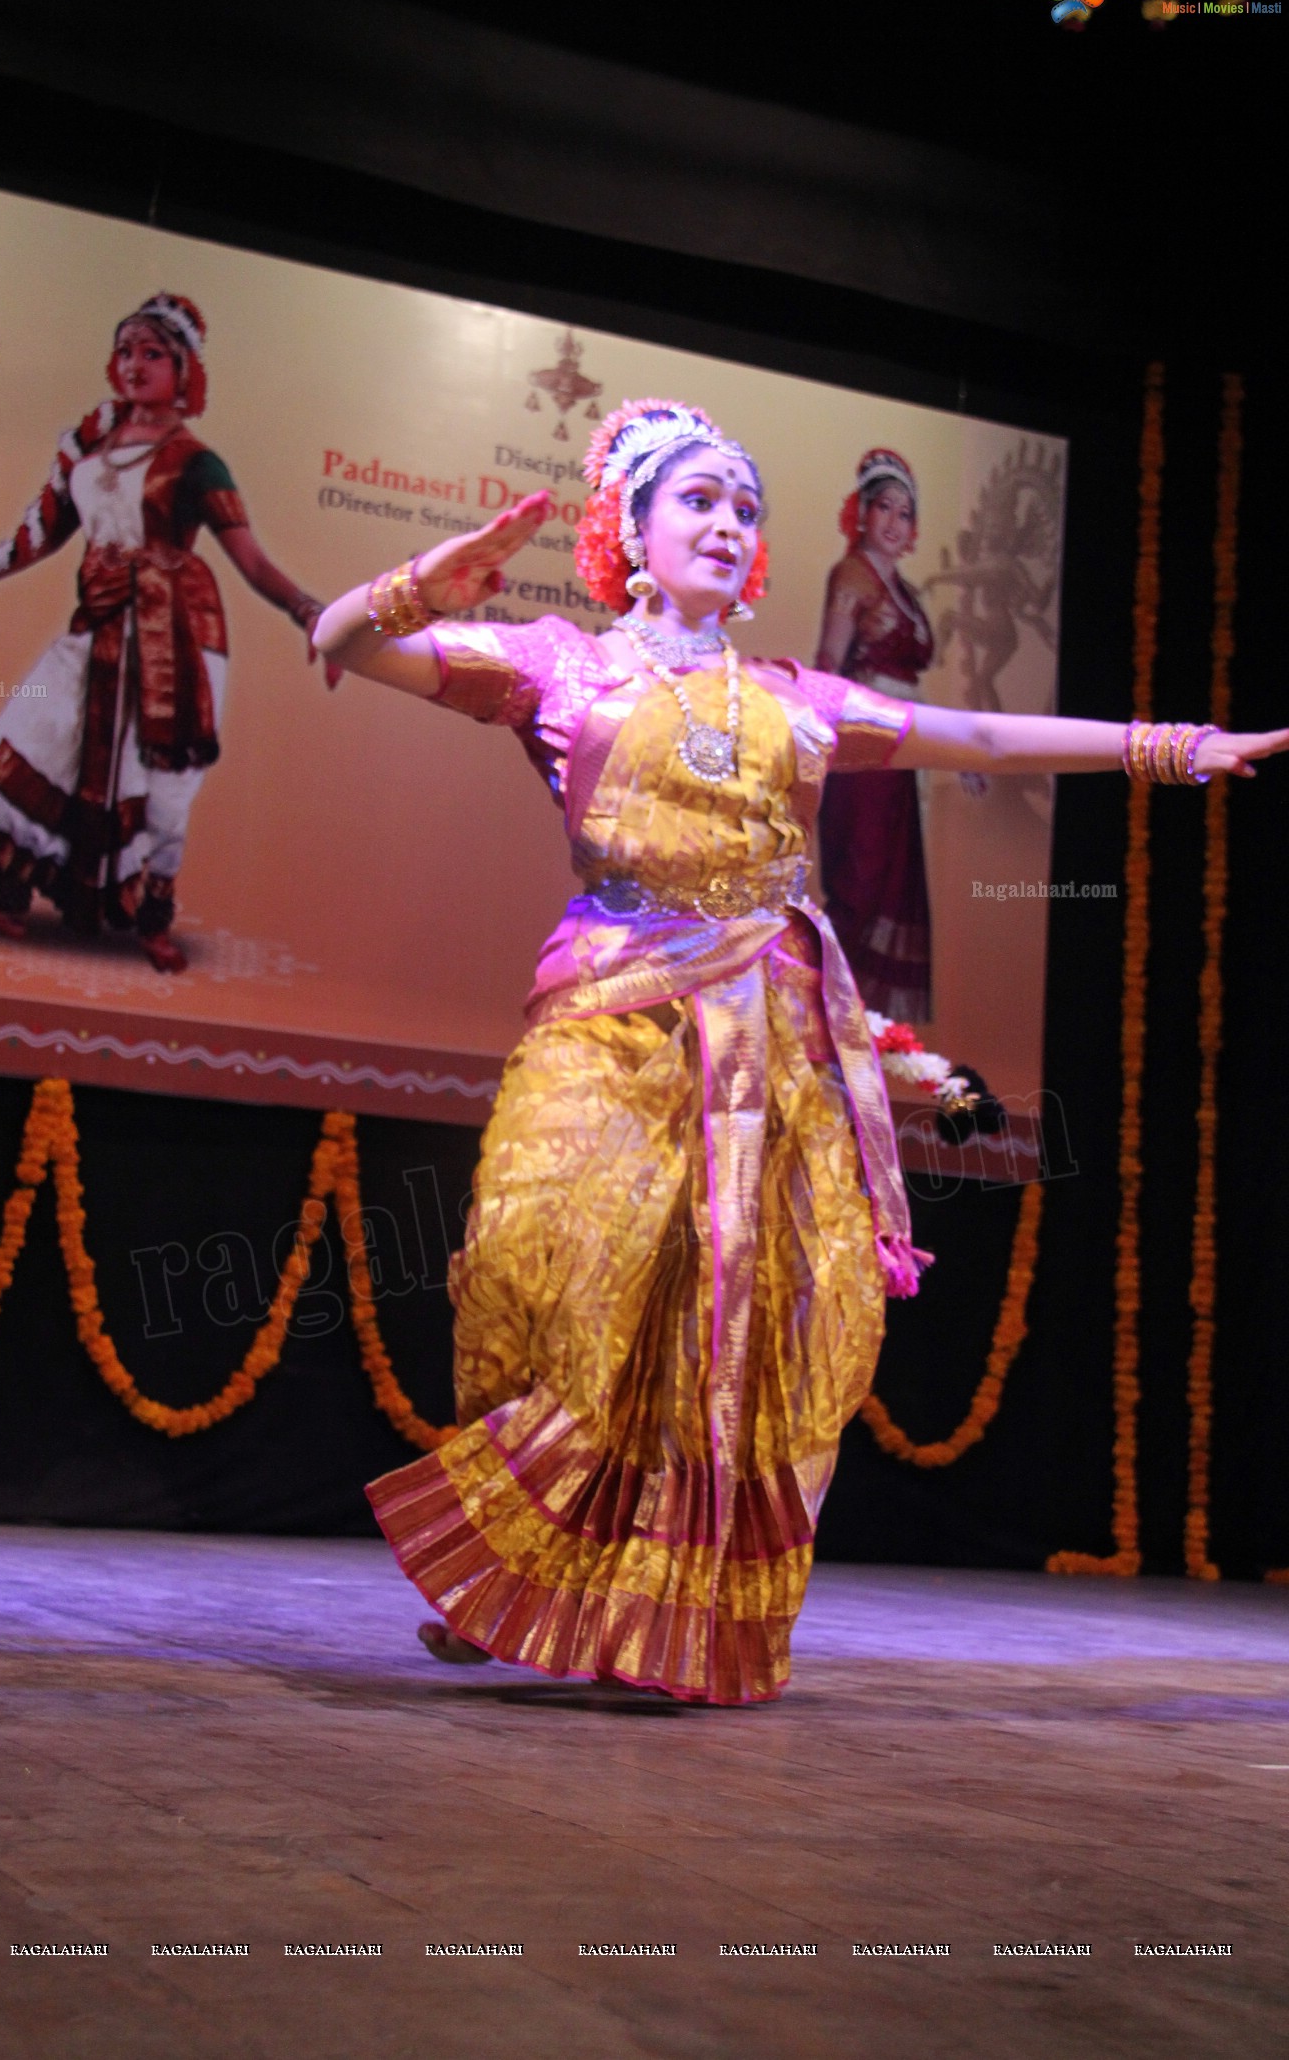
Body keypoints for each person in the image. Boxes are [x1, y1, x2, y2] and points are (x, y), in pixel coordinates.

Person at [312, 398, 1287, 1706]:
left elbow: (984, 739)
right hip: (610, 1029)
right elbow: (342, 642)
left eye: (746, 507)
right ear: (632, 528)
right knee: (557, 1293)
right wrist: (426, 580)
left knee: (741, 1325)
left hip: (770, 1055)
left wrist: (1162, 748)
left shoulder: (799, 703)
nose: (728, 523)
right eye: (699, 501)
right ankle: (531, 1569)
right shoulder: (557, 666)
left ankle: (666, 1611)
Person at [0, 294, 322, 974]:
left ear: (184, 370)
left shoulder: (197, 463)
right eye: (126, 351)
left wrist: (309, 612)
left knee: (160, 787)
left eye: (153, 353)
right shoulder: (89, 443)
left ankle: (153, 922)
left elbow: (251, 561)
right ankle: (5, 902)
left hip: (170, 642)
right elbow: (33, 540)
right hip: (94, 626)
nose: (134, 365)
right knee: (24, 738)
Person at [815, 449, 937, 1024]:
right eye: (883, 506)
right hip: (862, 760)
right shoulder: (852, 575)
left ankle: (866, 1041)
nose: (893, 520)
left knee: (890, 888)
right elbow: (827, 667)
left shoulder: (907, 592)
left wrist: (953, 752)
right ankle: (815, 1020)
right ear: (862, 513)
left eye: (904, 512)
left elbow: (908, 686)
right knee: (859, 888)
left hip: (898, 763)